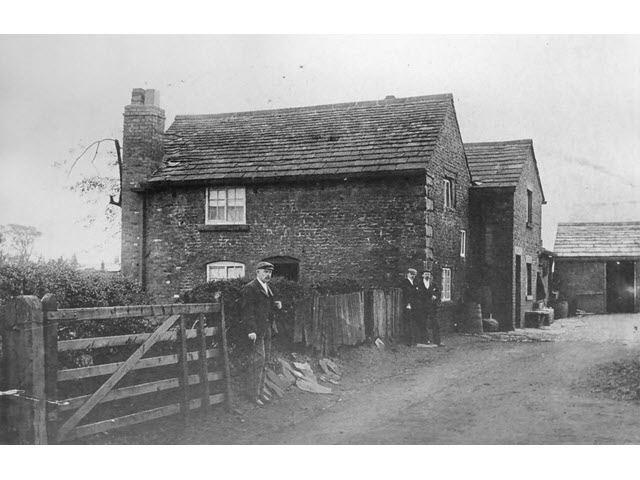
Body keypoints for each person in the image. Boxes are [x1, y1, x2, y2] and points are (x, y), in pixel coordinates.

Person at [241, 261, 282, 405]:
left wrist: (276, 306)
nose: (268, 274)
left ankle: (260, 392)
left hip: (267, 329)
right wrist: (251, 330)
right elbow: (247, 311)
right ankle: (252, 395)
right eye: (265, 271)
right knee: (258, 361)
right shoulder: (250, 288)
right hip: (257, 332)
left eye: (270, 272)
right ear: (257, 272)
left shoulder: (267, 287)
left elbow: (266, 309)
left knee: (265, 362)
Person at [416, 270, 442, 346]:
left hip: (432, 307)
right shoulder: (419, 284)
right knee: (423, 323)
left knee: (435, 323)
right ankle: (424, 340)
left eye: (429, 274)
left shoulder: (434, 285)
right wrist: (428, 296)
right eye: (426, 274)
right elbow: (419, 295)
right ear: (423, 275)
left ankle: (437, 341)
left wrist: (435, 296)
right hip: (423, 307)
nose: (427, 276)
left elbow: (438, 293)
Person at [401, 268, 420, 346]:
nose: (413, 276)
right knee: (408, 323)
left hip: (414, 304)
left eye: (414, 274)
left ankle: (414, 340)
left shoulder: (415, 282)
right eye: (411, 274)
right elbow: (407, 293)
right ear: (408, 274)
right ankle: (408, 341)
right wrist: (408, 303)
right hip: (408, 304)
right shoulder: (404, 282)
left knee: (414, 322)